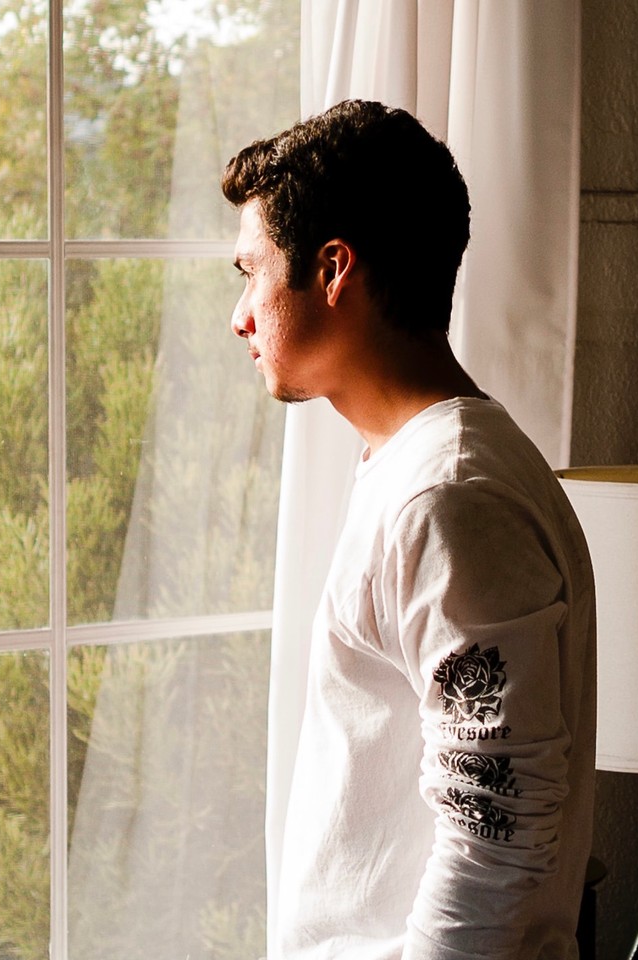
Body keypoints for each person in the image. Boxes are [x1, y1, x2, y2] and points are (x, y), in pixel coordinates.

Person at [221, 99, 596, 959]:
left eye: (251, 273)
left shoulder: (450, 495)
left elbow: (497, 831)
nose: (241, 315)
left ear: (333, 269)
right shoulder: (429, 467)